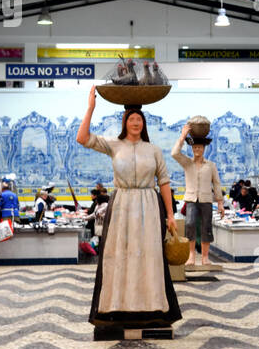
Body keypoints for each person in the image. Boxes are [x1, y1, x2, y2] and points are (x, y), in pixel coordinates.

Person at [76, 86, 181, 334]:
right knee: (119, 255)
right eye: (131, 119)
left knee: (150, 255)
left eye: (139, 120)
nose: (136, 123)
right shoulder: (114, 145)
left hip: (148, 205)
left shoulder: (153, 150)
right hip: (122, 205)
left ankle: (152, 306)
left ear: (144, 124)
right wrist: (90, 107)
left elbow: (164, 182)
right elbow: (82, 138)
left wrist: (170, 215)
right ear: (125, 122)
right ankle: (116, 306)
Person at [171, 115, 225, 267]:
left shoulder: (211, 165)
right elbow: (174, 153)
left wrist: (220, 203)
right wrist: (182, 136)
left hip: (207, 200)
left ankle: (205, 257)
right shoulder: (187, 163)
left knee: (206, 227)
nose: (197, 150)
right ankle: (191, 256)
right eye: (194, 148)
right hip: (191, 199)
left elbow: (217, 183)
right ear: (192, 149)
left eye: (200, 148)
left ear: (204, 149)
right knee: (190, 225)